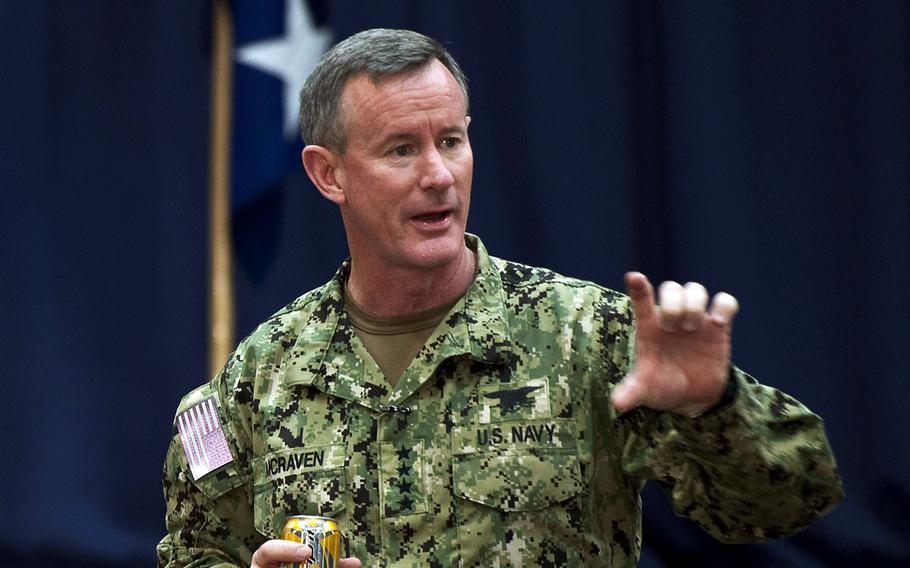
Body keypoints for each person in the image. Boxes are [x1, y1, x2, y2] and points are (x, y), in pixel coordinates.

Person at [157, 29, 843, 568]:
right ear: (328, 173)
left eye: (451, 140)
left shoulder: (589, 335)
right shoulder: (257, 377)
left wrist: (710, 408)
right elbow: (194, 552)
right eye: (400, 149)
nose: (437, 175)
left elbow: (790, 501)